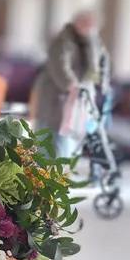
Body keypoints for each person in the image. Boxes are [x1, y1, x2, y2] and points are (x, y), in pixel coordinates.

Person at [33, 10, 104, 158]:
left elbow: (94, 69)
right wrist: (71, 84)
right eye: (87, 24)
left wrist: (92, 41)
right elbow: (60, 66)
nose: (90, 29)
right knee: (50, 141)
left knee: (68, 145)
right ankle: (47, 175)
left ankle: (61, 174)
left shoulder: (89, 42)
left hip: (75, 101)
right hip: (54, 98)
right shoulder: (62, 41)